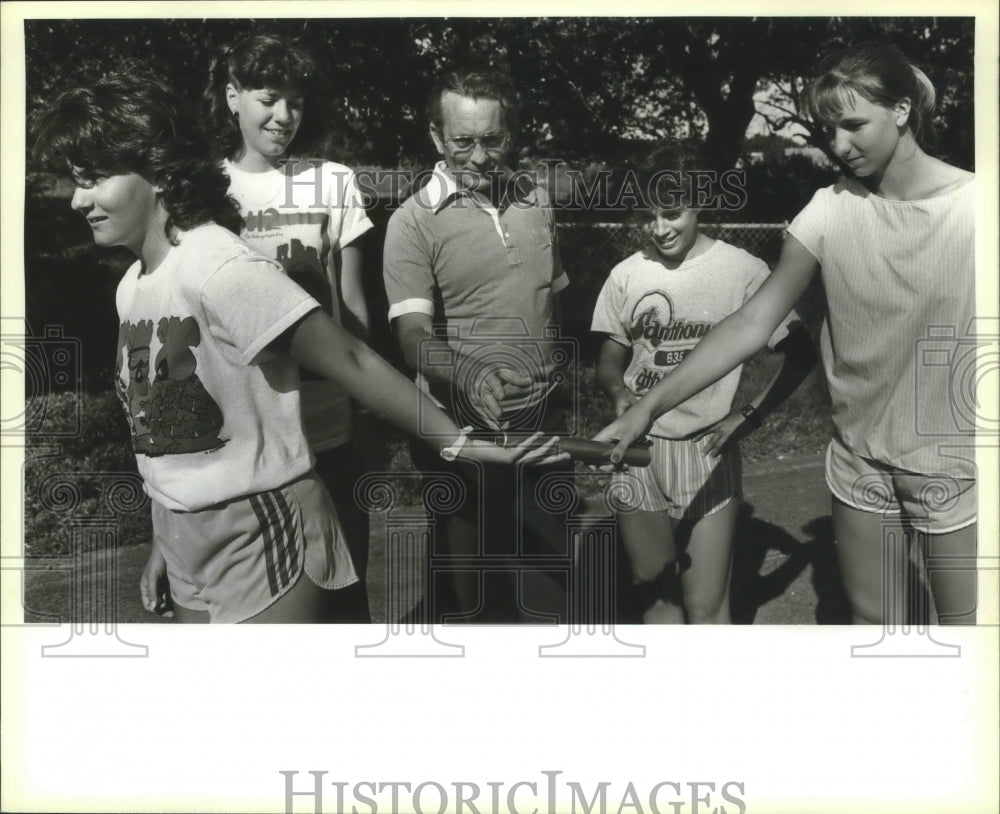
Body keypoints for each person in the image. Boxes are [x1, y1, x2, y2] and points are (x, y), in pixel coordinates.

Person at [31, 67, 565, 624]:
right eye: (75, 180)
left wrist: (461, 445)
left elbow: (354, 358)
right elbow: (163, 430)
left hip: (262, 528)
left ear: (159, 172)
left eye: (92, 178)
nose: (76, 200)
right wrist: (166, 536)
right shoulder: (131, 287)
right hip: (185, 533)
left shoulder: (221, 266)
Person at [594, 42, 977, 625]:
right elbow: (751, 322)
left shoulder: (976, 206)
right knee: (875, 626)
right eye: (829, 129)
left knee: (969, 636)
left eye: (854, 125)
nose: (839, 146)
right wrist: (647, 408)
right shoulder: (827, 209)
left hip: (954, 463)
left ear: (901, 110)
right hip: (859, 460)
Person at [591, 141, 816, 624]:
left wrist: (750, 414)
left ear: (700, 203)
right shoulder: (626, 275)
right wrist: (618, 392)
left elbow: (802, 356)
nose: (660, 228)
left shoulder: (743, 271)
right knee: (656, 601)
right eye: (648, 216)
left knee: (707, 608)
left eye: (672, 213)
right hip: (638, 451)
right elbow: (608, 358)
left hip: (705, 451)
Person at [382, 66, 572, 623]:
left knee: (545, 593)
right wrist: (468, 374)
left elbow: (553, 301)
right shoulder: (411, 221)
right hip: (460, 437)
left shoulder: (536, 199)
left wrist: (555, 369)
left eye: (493, 139)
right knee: (470, 604)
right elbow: (410, 335)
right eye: (463, 141)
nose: (480, 157)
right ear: (438, 139)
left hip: (540, 425)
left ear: (510, 133)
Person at [204, 33, 374, 622]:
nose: (284, 116)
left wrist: (366, 405)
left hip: (329, 428)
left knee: (347, 599)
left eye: (296, 102)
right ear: (233, 97)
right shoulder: (202, 186)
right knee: (264, 610)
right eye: (268, 98)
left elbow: (352, 307)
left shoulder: (333, 180)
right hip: (245, 434)